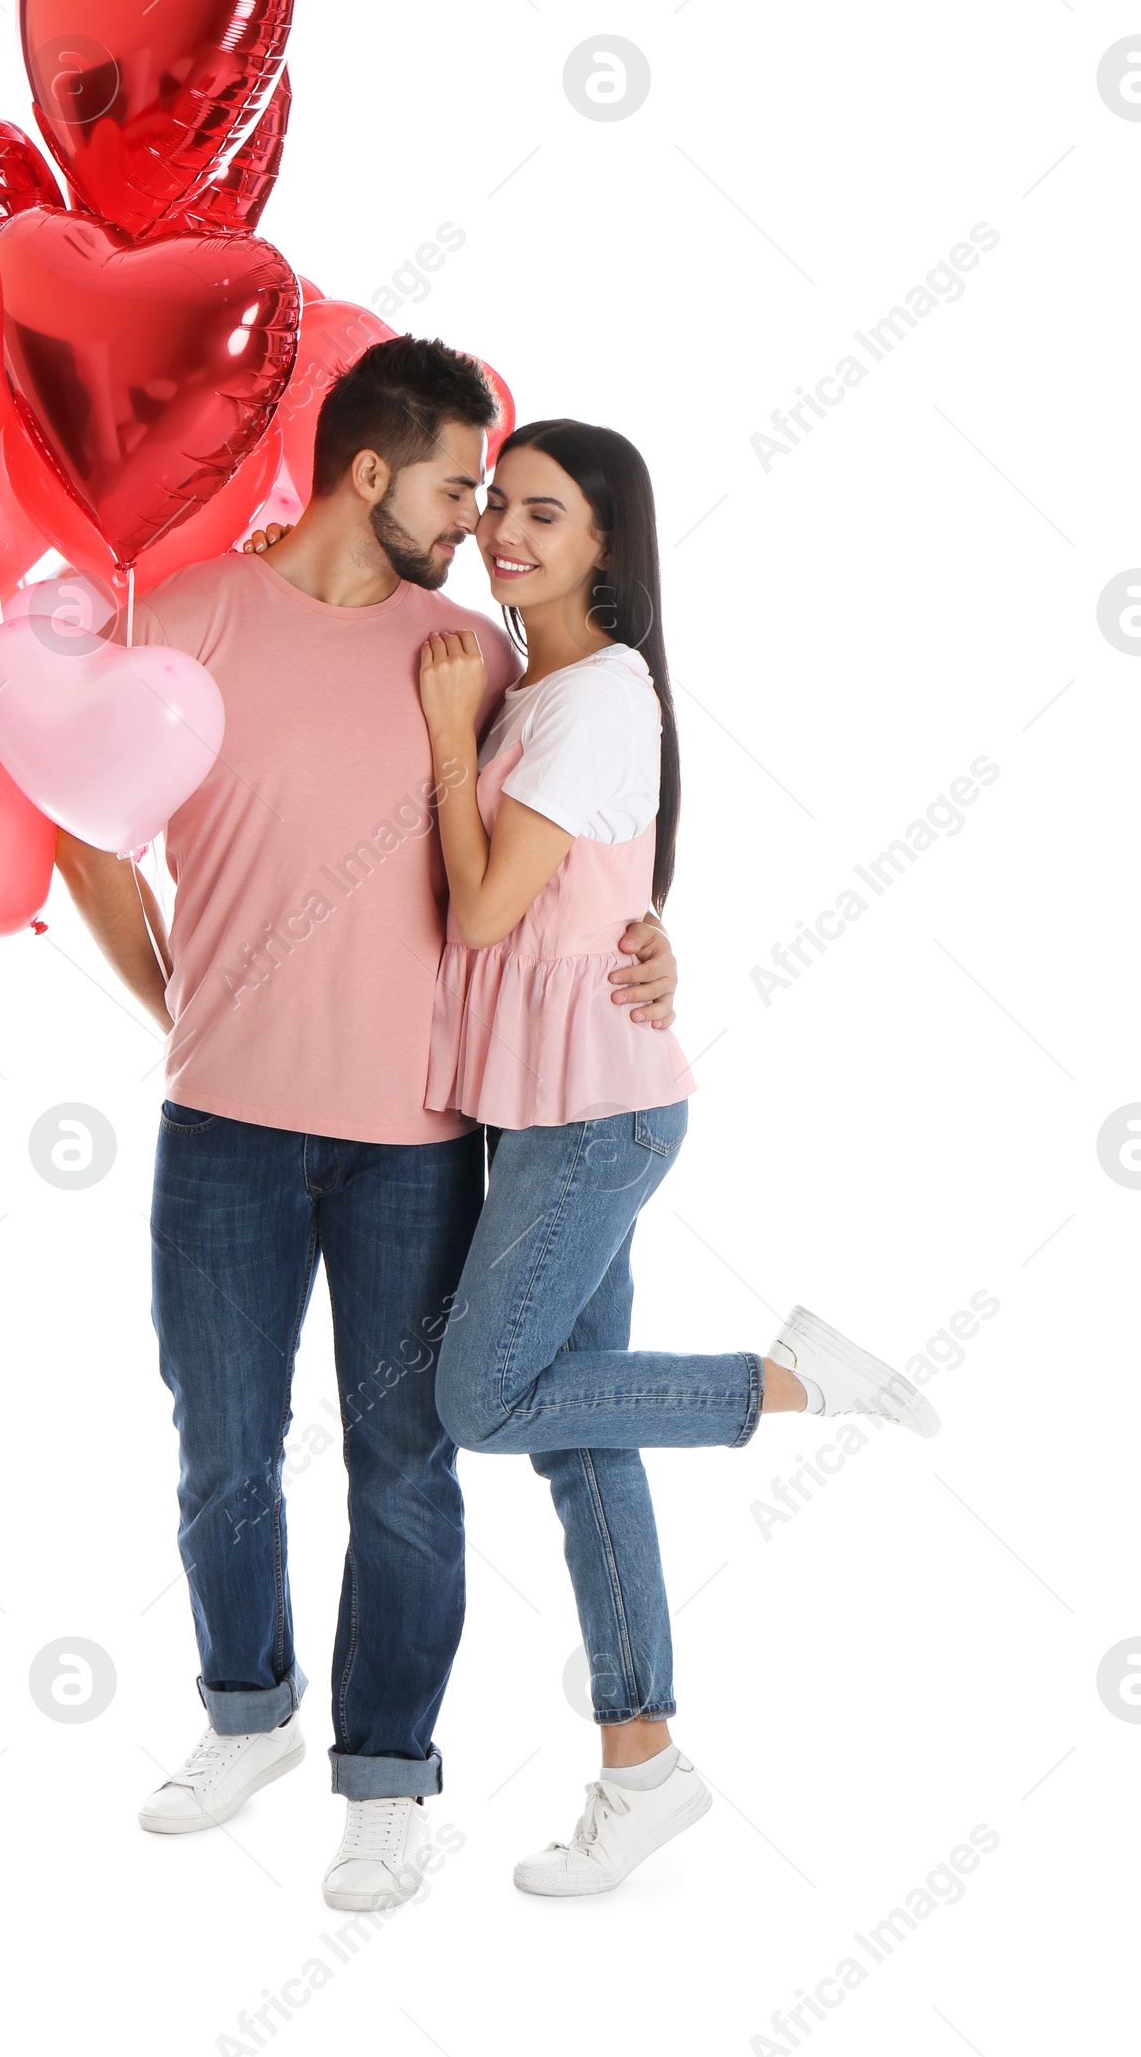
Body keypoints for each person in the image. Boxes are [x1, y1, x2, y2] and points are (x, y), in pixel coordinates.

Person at [54, 340, 681, 1911]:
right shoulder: (183, 620)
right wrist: (175, 1005)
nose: (480, 520)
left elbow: (576, 840)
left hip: (418, 1138)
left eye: (499, 495)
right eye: (465, 485)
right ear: (368, 473)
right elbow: (87, 835)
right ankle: (246, 1715)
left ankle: (387, 1777)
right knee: (222, 1450)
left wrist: (657, 952)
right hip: (223, 1130)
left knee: (406, 1462)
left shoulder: (471, 649)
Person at [417, 418, 939, 1901]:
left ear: (606, 547)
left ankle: (785, 1381)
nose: (506, 533)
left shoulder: (580, 698)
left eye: (544, 514)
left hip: (587, 1121)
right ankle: (641, 1762)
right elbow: (589, 903)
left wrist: (452, 741)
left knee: (479, 1395)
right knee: (580, 1439)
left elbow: (480, 909)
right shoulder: (552, 686)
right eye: (498, 507)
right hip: (562, 1102)